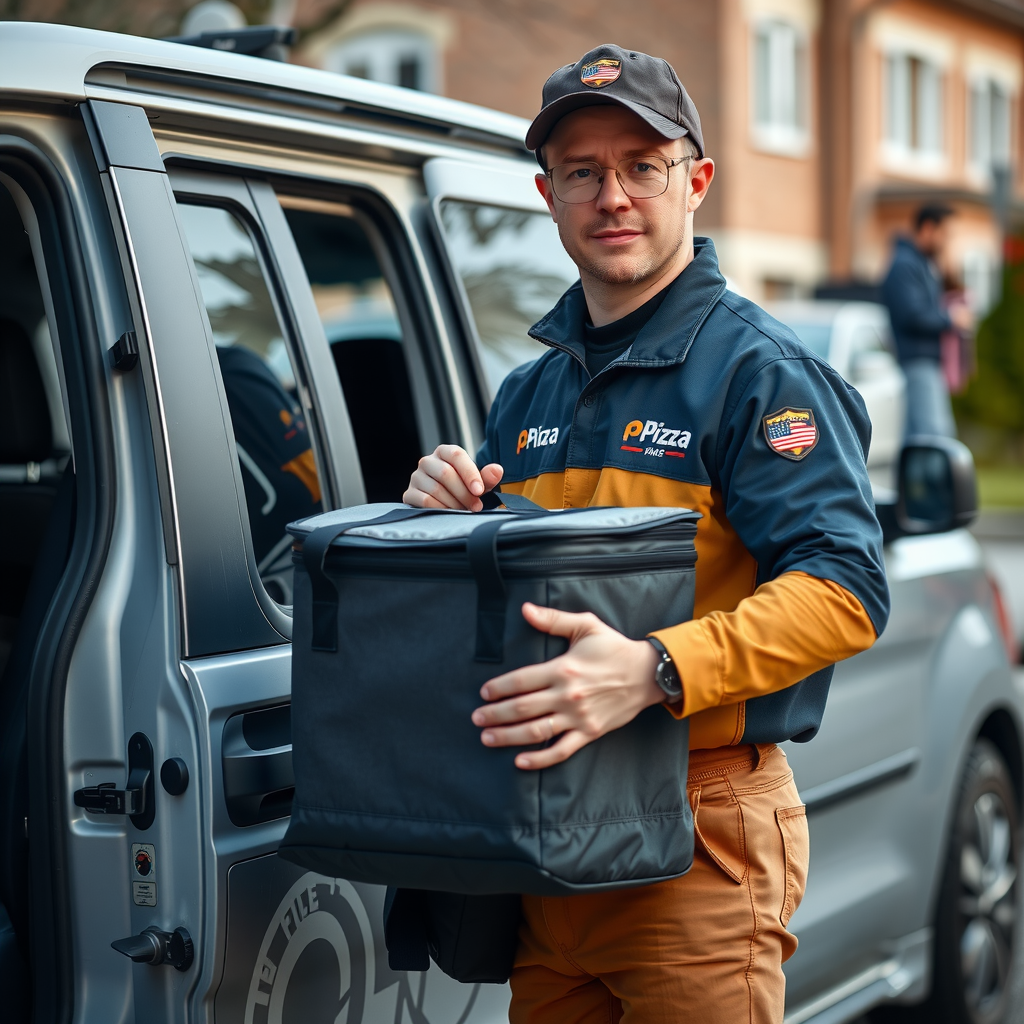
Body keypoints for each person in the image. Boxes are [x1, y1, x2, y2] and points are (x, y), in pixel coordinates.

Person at [404, 44, 889, 1023]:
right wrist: (442, 525)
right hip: (549, 848)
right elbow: (508, 604)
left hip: (696, 836)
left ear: (695, 181)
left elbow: (845, 587)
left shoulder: (759, 374)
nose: (612, 195)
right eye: (582, 171)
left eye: (641, 166)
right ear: (548, 195)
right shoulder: (526, 393)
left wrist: (654, 669)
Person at [882, 204, 973, 438]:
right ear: (928, 229)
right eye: (946, 234)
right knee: (933, 437)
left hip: (926, 363)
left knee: (929, 436)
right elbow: (913, 315)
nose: (948, 242)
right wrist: (950, 317)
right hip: (917, 362)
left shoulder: (921, 264)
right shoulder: (905, 265)